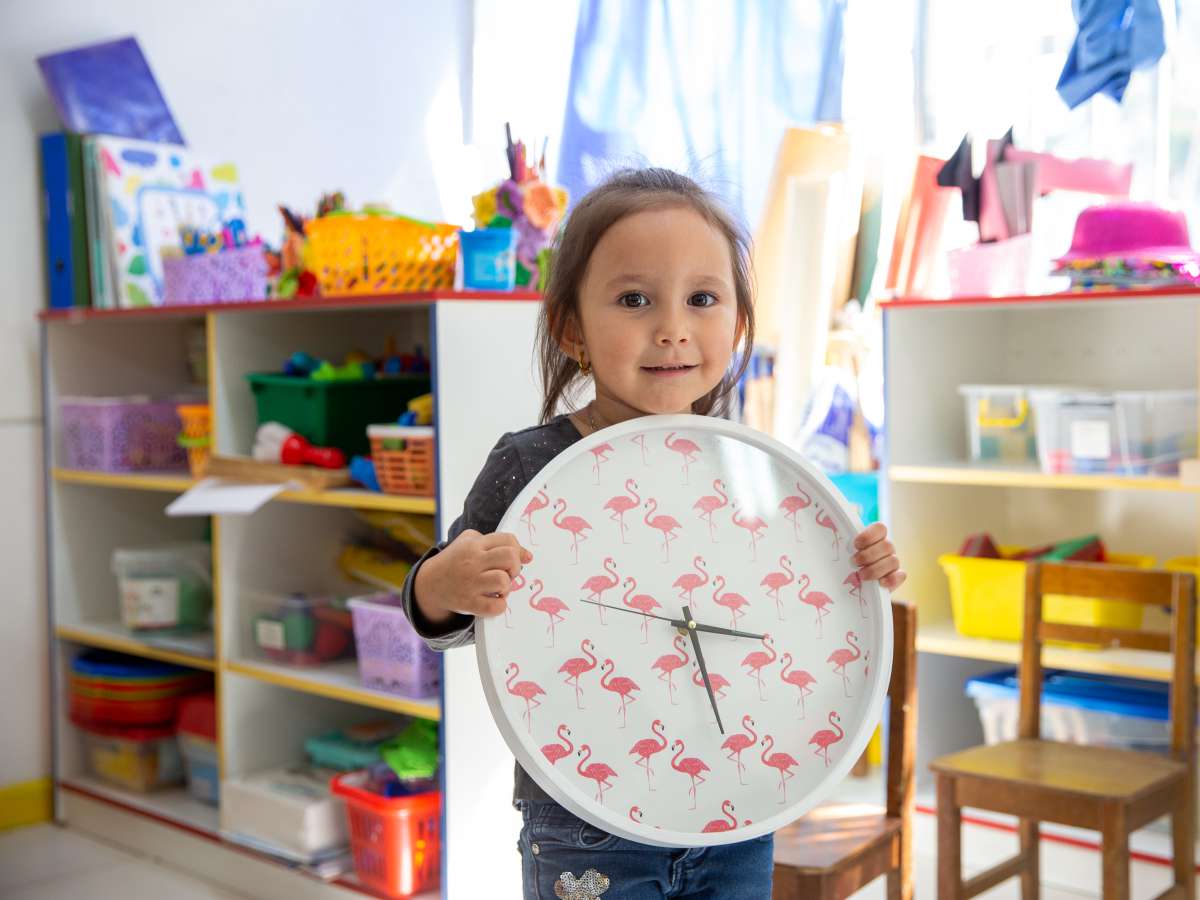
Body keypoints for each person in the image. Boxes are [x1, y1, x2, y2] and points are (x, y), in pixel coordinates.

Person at [400, 167, 906, 899]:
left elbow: (782, 603)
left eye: (702, 299)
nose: (672, 327)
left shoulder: (749, 468)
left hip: (735, 808)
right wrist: (440, 583)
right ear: (571, 328)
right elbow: (450, 620)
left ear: (736, 325)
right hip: (582, 816)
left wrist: (852, 569)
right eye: (635, 300)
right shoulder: (533, 464)